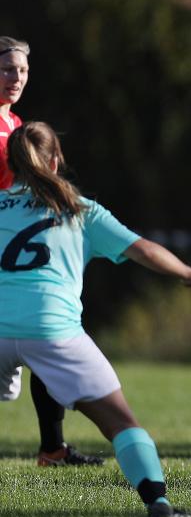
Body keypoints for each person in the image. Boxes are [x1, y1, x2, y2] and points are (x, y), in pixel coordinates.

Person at [0, 121, 191, 517]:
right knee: (121, 422)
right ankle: (159, 503)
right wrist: (189, 274)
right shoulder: (79, 210)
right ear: (56, 158)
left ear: (10, 163)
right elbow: (144, 250)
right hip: (52, 330)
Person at [0, 36, 102, 467]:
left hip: (15, 250)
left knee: (42, 331)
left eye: (21, 70)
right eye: (7, 68)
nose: (16, 77)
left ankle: (52, 448)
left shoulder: (15, 122)